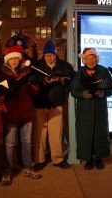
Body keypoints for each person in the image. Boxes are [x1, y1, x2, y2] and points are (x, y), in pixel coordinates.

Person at [0, 45, 41, 185]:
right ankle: (8, 169)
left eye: (16, 58)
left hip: (26, 112)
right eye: (12, 59)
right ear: (7, 60)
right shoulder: (1, 72)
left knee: (27, 142)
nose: (14, 61)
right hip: (10, 112)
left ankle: (28, 166)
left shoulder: (27, 72)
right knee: (10, 143)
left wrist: (33, 84)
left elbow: (34, 92)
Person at [32, 40, 75, 171]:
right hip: (40, 103)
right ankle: (39, 159)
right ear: (43, 56)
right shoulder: (37, 65)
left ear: (56, 55)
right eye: (47, 55)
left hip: (56, 103)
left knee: (56, 132)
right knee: (40, 133)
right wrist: (43, 81)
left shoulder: (64, 66)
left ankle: (57, 158)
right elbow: (32, 79)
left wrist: (63, 81)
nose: (50, 57)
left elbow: (72, 78)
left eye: (52, 55)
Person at [70, 48, 112, 170]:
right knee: (86, 135)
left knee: (99, 134)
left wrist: (103, 93)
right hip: (84, 110)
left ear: (96, 59)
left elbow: (111, 89)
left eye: (93, 58)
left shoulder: (104, 71)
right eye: (88, 58)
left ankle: (99, 159)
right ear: (84, 60)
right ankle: (88, 159)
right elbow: (73, 90)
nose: (91, 60)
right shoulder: (80, 72)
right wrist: (82, 94)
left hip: (99, 109)